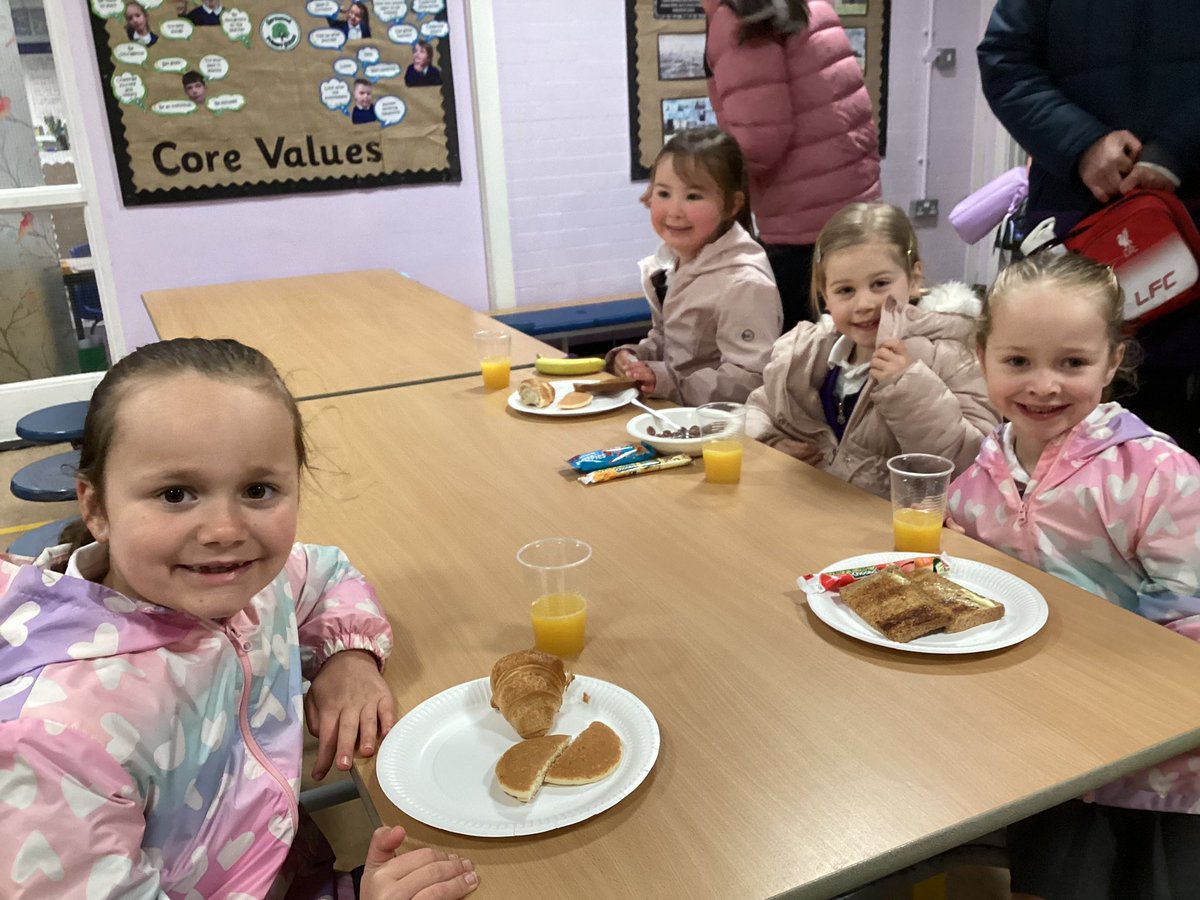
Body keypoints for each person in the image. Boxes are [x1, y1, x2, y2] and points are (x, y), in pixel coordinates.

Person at [0, 339, 479, 899]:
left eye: (258, 490)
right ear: (96, 508)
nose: (225, 529)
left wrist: (348, 658)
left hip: (282, 863)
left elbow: (326, 574)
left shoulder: (247, 585)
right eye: (176, 493)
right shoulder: (56, 741)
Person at [945, 252, 1200, 900]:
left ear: (1113, 362)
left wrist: (1102, 696)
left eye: (1073, 363)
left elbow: (1191, 618)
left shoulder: (1156, 476)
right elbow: (966, 582)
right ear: (984, 357)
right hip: (1040, 750)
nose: (1043, 385)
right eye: (1018, 361)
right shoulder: (979, 477)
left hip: (1156, 770)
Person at [977, 0, 1200, 457]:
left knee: (1176, 423)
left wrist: (1178, 149)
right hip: (1075, 218)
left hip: (1187, 221)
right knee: (1050, 405)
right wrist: (1081, 145)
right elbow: (1005, 59)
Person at [745, 202, 997, 497]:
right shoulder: (809, 352)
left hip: (896, 531)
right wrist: (771, 441)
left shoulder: (950, 353)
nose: (864, 304)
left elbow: (971, 463)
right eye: (845, 290)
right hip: (814, 514)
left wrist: (907, 386)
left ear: (914, 279)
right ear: (825, 296)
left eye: (879, 283)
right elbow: (759, 406)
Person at [704, 0, 881, 333]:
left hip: (799, 226)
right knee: (853, 352)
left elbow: (759, 142)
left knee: (801, 362)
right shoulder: (808, 3)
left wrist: (711, 184)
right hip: (854, 209)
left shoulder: (741, 15)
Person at [607, 126, 783, 405]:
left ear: (732, 204)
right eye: (664, 194)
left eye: (693, 197)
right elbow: (672, 344)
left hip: (721, 434)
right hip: (675, 416)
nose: (675, 210)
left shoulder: (744, 282)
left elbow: (750, 379)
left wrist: (666, 380)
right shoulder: (674, 261)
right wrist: (633, 358)